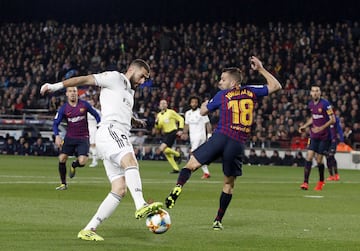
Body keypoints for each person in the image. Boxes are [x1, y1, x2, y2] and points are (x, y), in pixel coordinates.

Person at [41, 59, 163, 241]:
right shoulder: (114, 78)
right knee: (130, 161)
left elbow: (123, 111)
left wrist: (136, 121)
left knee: (119, 188)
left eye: (146, 79)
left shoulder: (129, 92)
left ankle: (89, 229)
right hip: (111, 131)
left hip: (117, 135)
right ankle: (140, 204)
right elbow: (84, 79)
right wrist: (55, 86)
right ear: (131, 69)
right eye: (142, 76)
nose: (143, 81)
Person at [165, 56, 282, 230]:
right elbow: (276, 86)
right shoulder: (251, 91)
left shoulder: (222, 95)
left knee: (190, 165)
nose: (220, 82)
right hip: (237, 143)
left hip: (220, 137)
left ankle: (178, 187)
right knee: (228, 183)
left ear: (233, 83)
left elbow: (203, 111)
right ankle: (218, 220)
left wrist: (206, 104)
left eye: (223, 79)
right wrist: (261, 69)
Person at [52, 86, 101, 190]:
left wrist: (99, 126)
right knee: (62, 158)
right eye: (70, 91)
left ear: (77, 93)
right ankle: (63, 184)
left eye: (74, 91)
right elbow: (55, 123)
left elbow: (97, 116)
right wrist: (57, 136)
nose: (72, 93)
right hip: (70, 137)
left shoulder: (84, 105)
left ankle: (74, 165)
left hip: (83, 137)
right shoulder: (64, 108)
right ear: (67, 94)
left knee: (82, 162)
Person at [298, 85, 336, 191]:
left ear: (320, 93)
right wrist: (304, 126)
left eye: (317, 91)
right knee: (309, 156)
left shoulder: (325, 104)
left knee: (319, 160)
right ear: (310, 93)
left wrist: (321, 128)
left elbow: (333, 119)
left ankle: (321, 181)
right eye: (313, 91)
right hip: (314, 136)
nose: (315, 93)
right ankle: (305, 182)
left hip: (324, 137)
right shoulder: (311, 104)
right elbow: (313, 117)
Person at [182, 96, 213, 179]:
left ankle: (187, 170)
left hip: (200, 136)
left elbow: (208, 124)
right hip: (192, 137)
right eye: (192, 102)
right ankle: (206, 173)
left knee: (194, 153)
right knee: (199, 155)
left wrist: (209, 135)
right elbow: (187, 124)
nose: (194, 104)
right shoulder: (188, 113)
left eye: (195, 102)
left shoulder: (202, 112)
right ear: (190, 103)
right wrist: (184, 133)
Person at [152, 99, 184, 173]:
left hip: (173, 132)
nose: (163, 104)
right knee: (166, 152)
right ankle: (176, 168)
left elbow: (181, 119)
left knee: (161, 148)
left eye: (164, 103)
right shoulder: (159, 115)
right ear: (159, 106)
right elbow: (158, 128)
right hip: (166, 134)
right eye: (161, 103)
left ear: (167, 105)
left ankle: (178, 154)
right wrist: (156, 123)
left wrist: (180, 129)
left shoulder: (171, 112)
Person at [326, 116, 344, 181]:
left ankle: (336, 174)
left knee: (331, 155)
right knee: (327, 157)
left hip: (333, 140)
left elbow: (339, 129)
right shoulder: (323, 118)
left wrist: (341, 140)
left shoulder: (335, 119)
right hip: (325, 141)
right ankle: (331, 175)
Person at [87, 98, 101, 167]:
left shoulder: (97, 111)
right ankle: (94, 156)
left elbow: (100, 120)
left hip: (94, 129)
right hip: (87, 129)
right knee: (89, 145)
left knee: (93, 144)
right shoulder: (85, 111)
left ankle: (94, 160)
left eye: (91, 102)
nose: (90, 103)